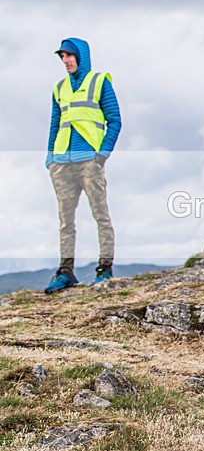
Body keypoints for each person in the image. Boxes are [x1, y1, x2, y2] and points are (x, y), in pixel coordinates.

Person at [44, 38, 122, 293]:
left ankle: (105, 268)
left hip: (90, 162)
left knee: (100, 215)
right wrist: (50, 158)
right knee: (65, 221)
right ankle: (66, 272)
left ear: (81, 56)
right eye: (62, 56)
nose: (65, 60)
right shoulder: (59, 88)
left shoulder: (100, 83)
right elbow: (55, 125)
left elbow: (115, 120)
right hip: (62, 163)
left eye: (69, 55)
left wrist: (102, 155)